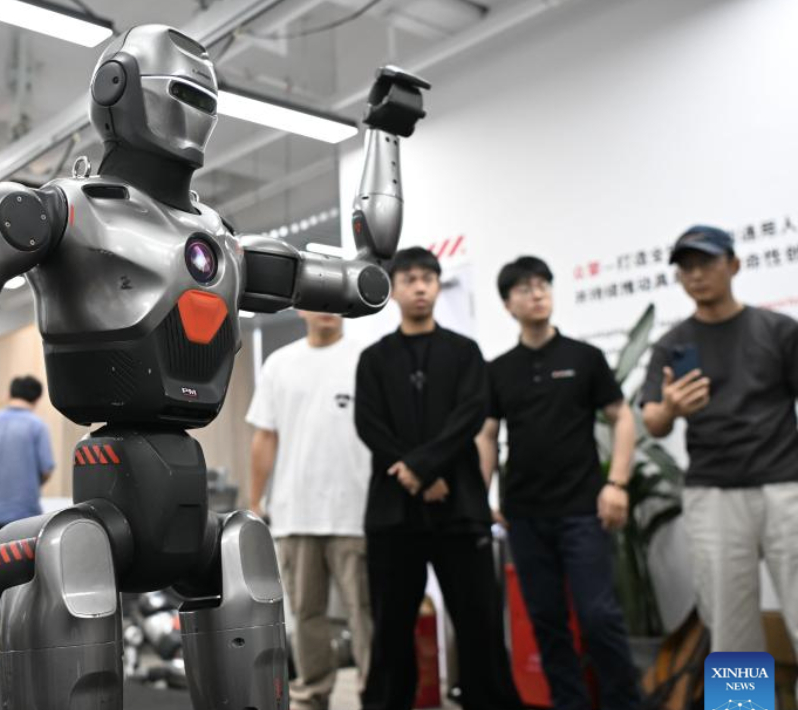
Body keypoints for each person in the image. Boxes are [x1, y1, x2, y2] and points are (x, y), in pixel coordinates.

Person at [354, 247, 520, 710]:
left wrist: (423, 468)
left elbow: (470, 415)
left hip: (459, 508)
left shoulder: (465, 353)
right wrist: (418, 473)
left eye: (429, 277)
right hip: (393, 513)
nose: (421, 286)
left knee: (479, 624)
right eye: (409, 278)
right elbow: (370, 425)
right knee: (390, 628)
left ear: (438, 285)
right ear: (393, 291)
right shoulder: (373, 359)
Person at [479, 256, 641, 710]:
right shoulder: (499, 370)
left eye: (543, 285)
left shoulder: (583, 358)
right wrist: (482, 497)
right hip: (525, 516)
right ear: (508, 304)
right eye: (525, 288)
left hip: (582, 512)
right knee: (547, 623)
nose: (537, 294)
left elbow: (622, 416)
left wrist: (618, 484)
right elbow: (488, 436)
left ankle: (624, 704)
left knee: (598, 617)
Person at [642, 225, 798, 656]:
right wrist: (671, 408)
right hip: (713, 494)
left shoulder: (778, 330)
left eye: (706, 262)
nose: (696, 275)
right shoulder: (672, 345)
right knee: (731, 632)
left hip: (786, 486)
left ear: (733, 264)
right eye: (686, 267)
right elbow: (653, 420)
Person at [246, 311, 373, 710]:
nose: (327, 309)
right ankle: (313, 692)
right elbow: (265, 435)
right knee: (305, 614)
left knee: (365, 611)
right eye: (317, 301)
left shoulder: (366, 359)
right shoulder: (279, 363)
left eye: (335, 301)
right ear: (300, 308)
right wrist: (254, 500)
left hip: (358, 511)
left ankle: (377, 692)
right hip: (295, 511)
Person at [0, 376, 54, 673]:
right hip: (22, 522)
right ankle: (18, 656)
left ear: (10, 393)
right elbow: (46, 469)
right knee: (23, 588)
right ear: (37, 399)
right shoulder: (36, 427)